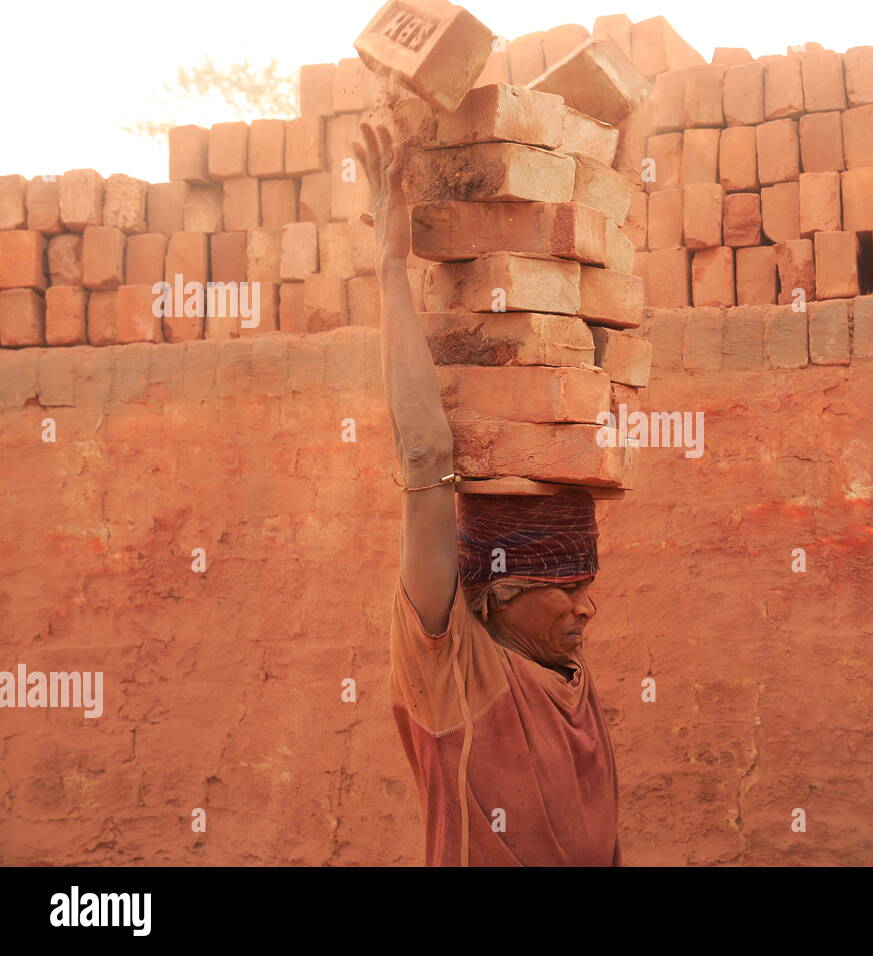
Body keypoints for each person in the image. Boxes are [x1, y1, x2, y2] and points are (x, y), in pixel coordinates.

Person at [352, 121, 622, 866]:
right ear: (492, 592)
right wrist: (388, 263)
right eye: (563, 588)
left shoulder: (566, 672)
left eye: (586, 585)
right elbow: (425, 455)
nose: (585, 608)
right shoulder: (452, 667)